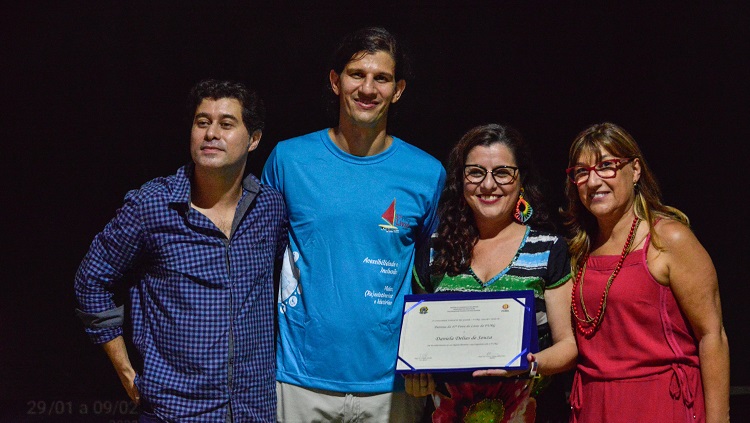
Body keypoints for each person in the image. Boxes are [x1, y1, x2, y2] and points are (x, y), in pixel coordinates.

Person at [74, 79, 287, 422]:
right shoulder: (153, 205)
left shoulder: (270, 208)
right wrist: (127, 373)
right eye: (202, 122)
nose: (211, 133)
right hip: (176, 411)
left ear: (254, 139)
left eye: (226, 124)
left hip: (253, 411)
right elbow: (91, 282)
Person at [261, 26, 446, 422]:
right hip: (300, 378)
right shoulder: (289, 160)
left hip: (392, 383)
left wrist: (426, 357)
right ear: (335, 81)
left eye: (381, 78)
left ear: (397, 90)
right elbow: (258, 259)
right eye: (356, 74)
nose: (368, 88)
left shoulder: (426, 173)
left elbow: (433, 277)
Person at [405, 124, 578, 422]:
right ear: (460, 181)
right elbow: (418, 343)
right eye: (475, 172)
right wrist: (417, 375)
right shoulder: (435, 249)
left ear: (520, 179)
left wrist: (530, 365)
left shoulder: (549, 249)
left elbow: (568, 346)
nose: (488, 184)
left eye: (502, 172)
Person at [563, 122, 730, 422]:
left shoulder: (668, 239)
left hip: (660, 404)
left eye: (607, 166)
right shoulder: (580, 250)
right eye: (581, 172)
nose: (593, 181)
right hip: (594, 407)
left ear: (635, 170)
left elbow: (711, 335)